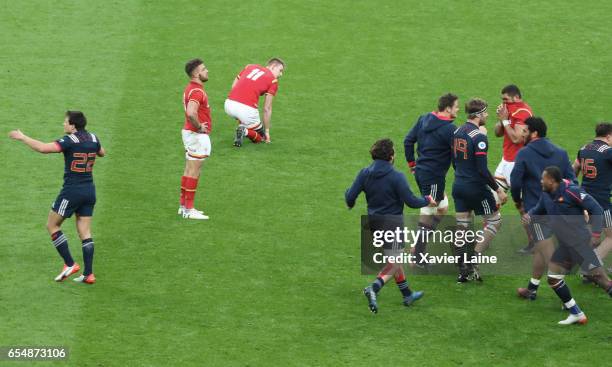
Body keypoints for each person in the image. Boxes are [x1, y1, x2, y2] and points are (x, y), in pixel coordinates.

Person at [8, 111, 105, 284]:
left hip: (72, 191)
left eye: (65, 122)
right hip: (89, 191)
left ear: (73, 125)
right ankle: (89, 274)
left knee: (52, 225)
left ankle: (69, 263)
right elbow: (102, 153)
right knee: (85, 231)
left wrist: (23, 137)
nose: (63, 124)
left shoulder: (69, 141)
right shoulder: (93, 138)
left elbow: (43, 149)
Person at [345, 138, 436, 313]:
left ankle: (407, 294)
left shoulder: (365, 173)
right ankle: (374, 287)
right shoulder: (396, 176)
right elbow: (410, 201)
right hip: (392, 225)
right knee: (396, 261)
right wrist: (427, 200)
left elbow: (350, 197)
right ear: (391, 156)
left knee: (393, 259)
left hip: (374, 224)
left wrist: (348, 200)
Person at [522, 166, 612, 325]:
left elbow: (596, 208)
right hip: (565, 246)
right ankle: (576, 313)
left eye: (544, 178)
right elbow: (539, 209)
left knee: (600, 279)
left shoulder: (572, 191)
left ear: (552, 180)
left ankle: (576, 313)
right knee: (554, 278)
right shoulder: (546, 194)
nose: (541, 181)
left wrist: (597, 234)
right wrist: (529, 216)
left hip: (580, 244)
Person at [511, 117, 576, 300]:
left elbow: (515, 182)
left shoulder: (524, 153)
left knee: (550, 258)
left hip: (536, 211)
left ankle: (569, 302)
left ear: (534, 133)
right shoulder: (561, 153)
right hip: (559, 210)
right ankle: (532, 289)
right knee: (540, 249)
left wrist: (518, 202)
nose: (521, 134)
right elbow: (573, 181)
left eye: (524, 131)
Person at [452, 98, 507, 282]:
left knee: (463, 227)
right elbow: (482, 170)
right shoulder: (479, 137)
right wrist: (498, 190)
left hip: (458, 185)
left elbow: (455, 161)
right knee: (494, 221)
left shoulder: (457, 131)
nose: (487, 115)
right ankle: (474, 259)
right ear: (479, 114)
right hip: (475, 188)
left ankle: (462, 271)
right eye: (485, 112)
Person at [403, 93, 458, 265]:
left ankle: (417, 248)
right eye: (456, 106)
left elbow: (408, 141)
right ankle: (417, 254)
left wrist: (412, 163)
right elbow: (457, 156)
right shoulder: (450, 130)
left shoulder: (424, 118)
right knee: (430, 209)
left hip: (421, 171)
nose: (458, 109)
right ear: (448, 108)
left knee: (442, 207)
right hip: (434, 176)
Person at [493, 84, 534, 253]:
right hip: (505, 162)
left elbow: (517, 139)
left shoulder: (523, 113)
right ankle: (486, 235)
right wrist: (501, 118)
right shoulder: (509, 111)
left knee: (522, 206)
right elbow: (497, 133)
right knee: (491, 197)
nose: (504, 103)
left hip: (517, 165)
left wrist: (505, 119)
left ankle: (535, 241)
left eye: (506, 100)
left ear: (516, 97)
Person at [573, 122, 612, 268]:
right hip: (601, 201)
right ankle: (590, 266)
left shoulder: (583, 149)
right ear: (608, 136)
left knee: (591, 235)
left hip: (584, 198)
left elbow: (573, 170)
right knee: (611, 236)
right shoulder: (608, 151)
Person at [225, 58, 285, 146]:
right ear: (273, 66)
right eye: (280, 70)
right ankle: (244, 131)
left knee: (243, 117)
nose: (281, 74)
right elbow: (266, 109)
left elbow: (234, 85)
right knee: (261, 137)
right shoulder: (273, 81)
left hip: (228, 104)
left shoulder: (250, 66)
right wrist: (267, 131)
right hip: (247, 110)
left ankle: (243, 125)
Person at [179, 58, 212, 220]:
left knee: (188, 170)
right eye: (204, 69)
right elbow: (191, 113)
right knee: (194, 171)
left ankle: (183, 206)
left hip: (189, 133)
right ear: (196, 73)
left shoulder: (190, 89)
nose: (207, 71)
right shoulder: (197, 91)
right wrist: (199, 127)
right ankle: (189, 209)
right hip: (196, 136)